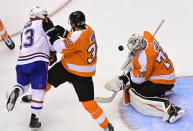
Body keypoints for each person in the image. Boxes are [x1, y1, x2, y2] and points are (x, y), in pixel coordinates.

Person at [37, 11, 114, 131]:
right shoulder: (89, 29)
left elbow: (59, 47)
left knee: (47, 80)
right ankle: (106, 125)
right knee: (89, 103)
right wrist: (65, 33)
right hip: (79, 71)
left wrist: (51, 33)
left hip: (75, 72)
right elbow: (77, 42)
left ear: (73, 23)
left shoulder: (77, 37)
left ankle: (36, 97)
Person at [105, 31, 185, 123]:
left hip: (163, 80)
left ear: (139, 48)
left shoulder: (144, 59)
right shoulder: (147, 36)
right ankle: (163, 91)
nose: (133, 51)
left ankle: (171, 109)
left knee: (141, 95)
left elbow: (139, 79)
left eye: (135, 50)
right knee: (135, 87)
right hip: (166, 72)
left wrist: (124, 80)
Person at [6, 5, 57, 129]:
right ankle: (34, 119)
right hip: (38, 61)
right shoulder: (44, 24)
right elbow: (51, 40)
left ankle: (16, 90)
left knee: (23, 84)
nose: (46, 17)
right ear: (40, 15)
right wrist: (53, 53)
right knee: (38, 92)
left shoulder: (24, 27)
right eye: (45, 15)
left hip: (21, 62)